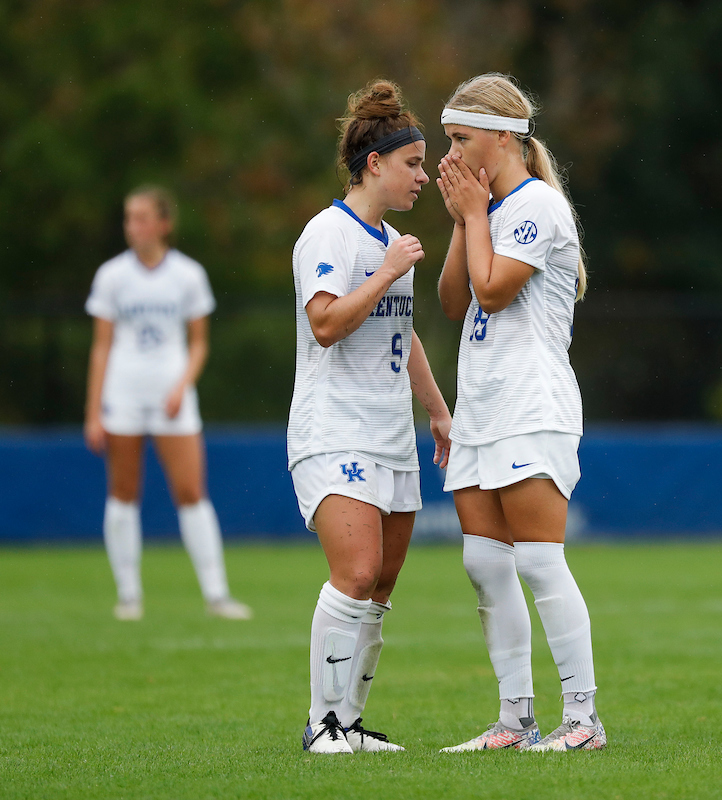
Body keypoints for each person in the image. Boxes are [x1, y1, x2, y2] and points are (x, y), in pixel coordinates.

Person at [435, 73, 606, 753]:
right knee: (485, 562)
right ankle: (514, 719)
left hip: (532, 404)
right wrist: (463, 220)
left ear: (503, 138)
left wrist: (477, 217)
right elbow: (455, 302)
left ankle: (583, 720)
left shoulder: (534, 206)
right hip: (482, 406)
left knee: (538, 561)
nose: (449, 156)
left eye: (461, 139)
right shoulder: (488, 211)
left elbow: (496, 290)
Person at [289, 79, 452, 755]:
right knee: (354, 575)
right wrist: (384, 273)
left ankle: (349, 724)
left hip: (392, 437)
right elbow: (325, 323)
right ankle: (321, 725)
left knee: (379, 589)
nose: (422, 176)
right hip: (335, 431)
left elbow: (404, 336)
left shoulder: (391, 241)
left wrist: (438, 412)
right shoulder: (328, 233)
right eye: (413, 163)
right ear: (373, 164)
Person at [84, 186, 251, 622]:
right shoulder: (111, 276)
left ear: (163, 224)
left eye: (141, 218)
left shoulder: (188, 275)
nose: (133, 227)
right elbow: (101, 348)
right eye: (128, 218)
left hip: (173, 396)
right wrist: (94, 410)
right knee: (123, 492)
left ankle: (217, 595)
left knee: (192, 492)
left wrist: (181, 385)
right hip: (123, 394)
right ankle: (129, 595)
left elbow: (199, 344)